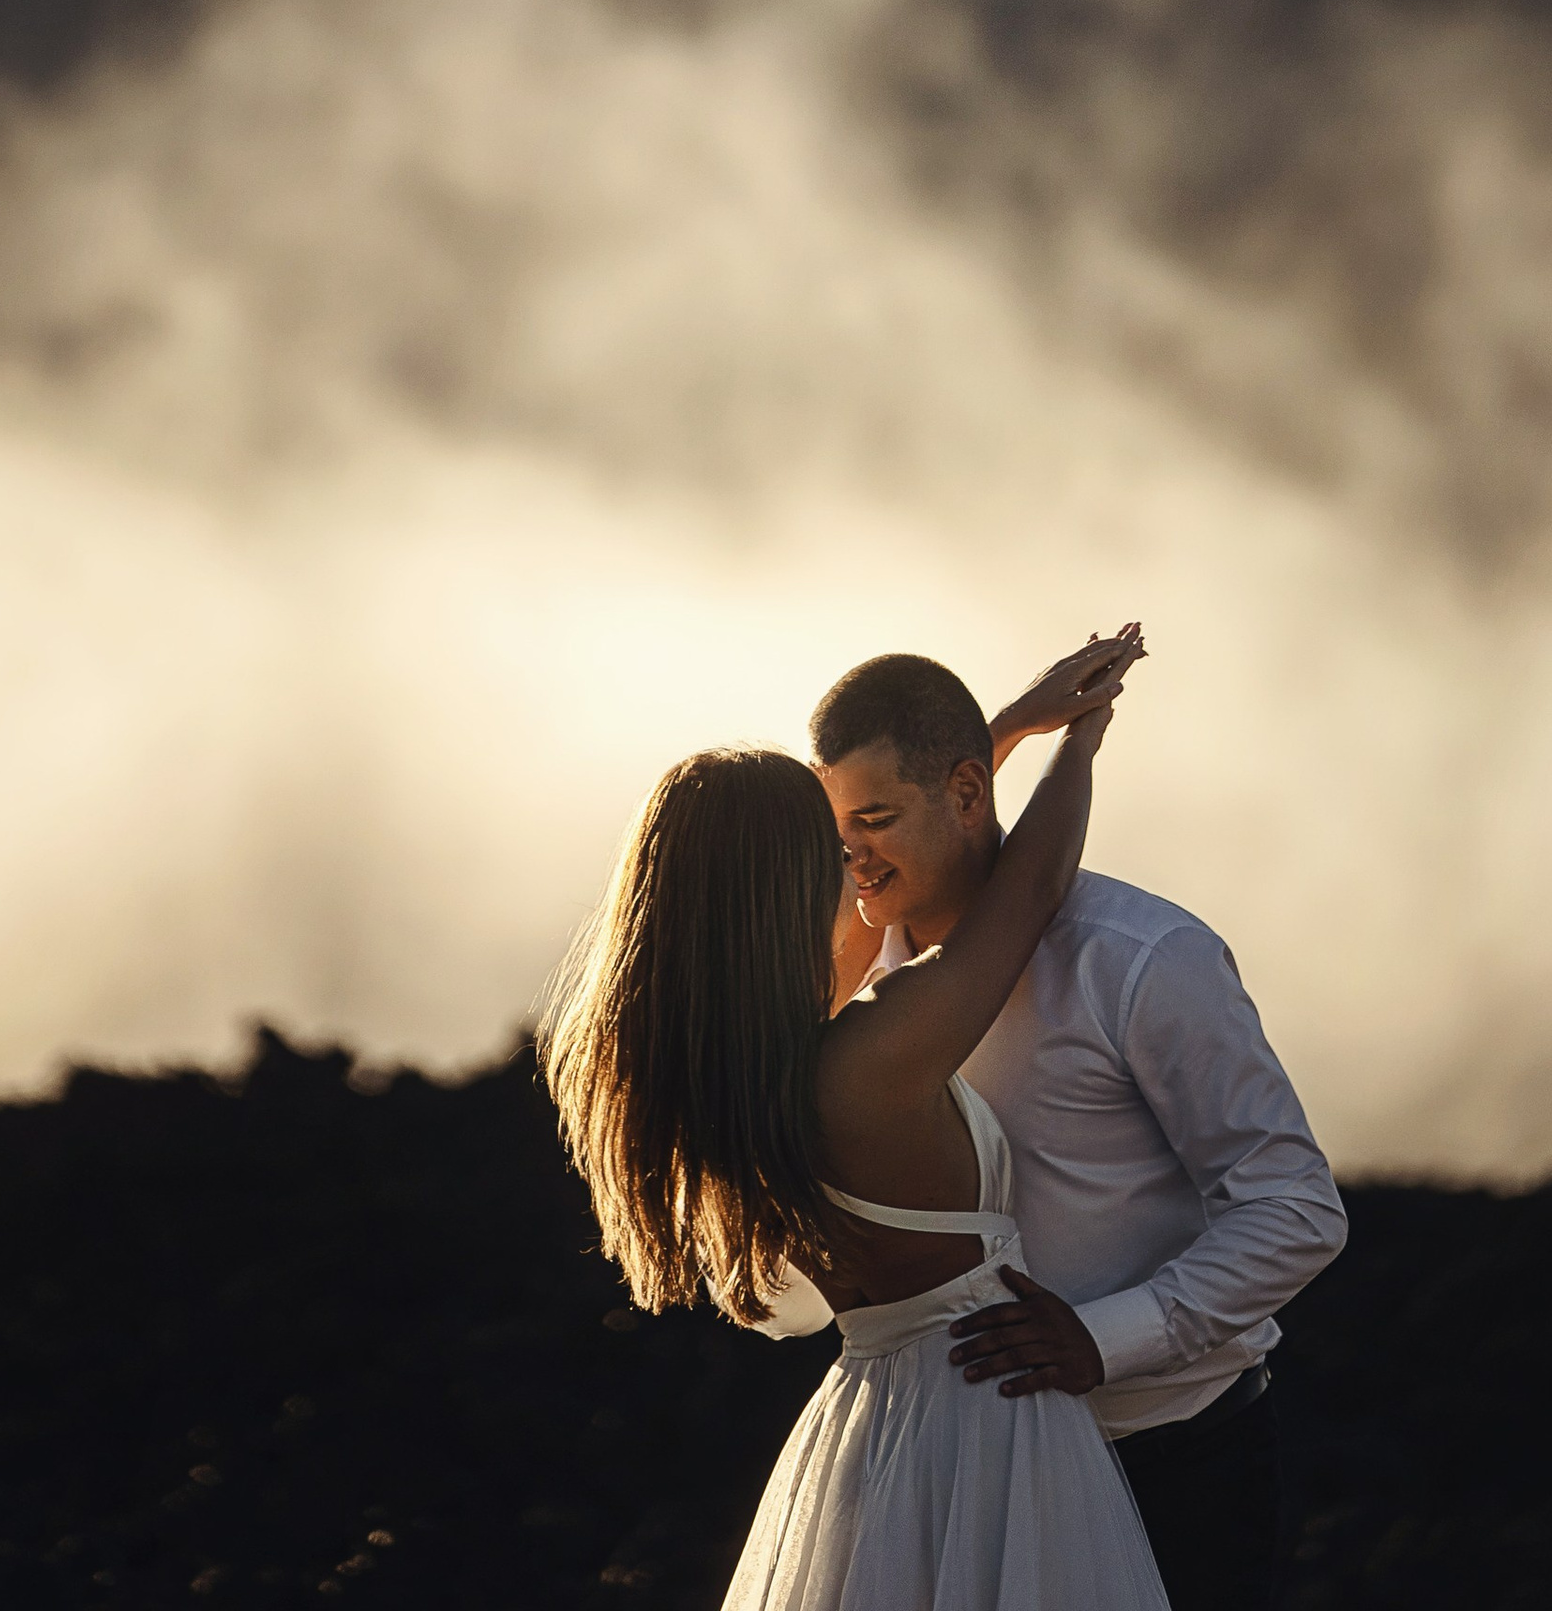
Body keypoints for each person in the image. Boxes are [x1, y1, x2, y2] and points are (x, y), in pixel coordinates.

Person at [540, 648, 1170, 1609]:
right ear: (789, 891)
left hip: (871, 1431)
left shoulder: (741, 1074)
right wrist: (1077, 743)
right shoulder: (870, 1059)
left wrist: (980, 745)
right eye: (836, 851)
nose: (863, 863)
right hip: (985, 1421)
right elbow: (1028, 891)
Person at [810, 639, 1346, 1611]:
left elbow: (1295, 1208)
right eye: (836, 825)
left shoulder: (1141, 958)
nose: (851, 855)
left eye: (876, 818)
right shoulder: (849, 993)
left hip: (1170, 1464)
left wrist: (1105, 1339)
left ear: (967, 791)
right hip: (945, 1472)